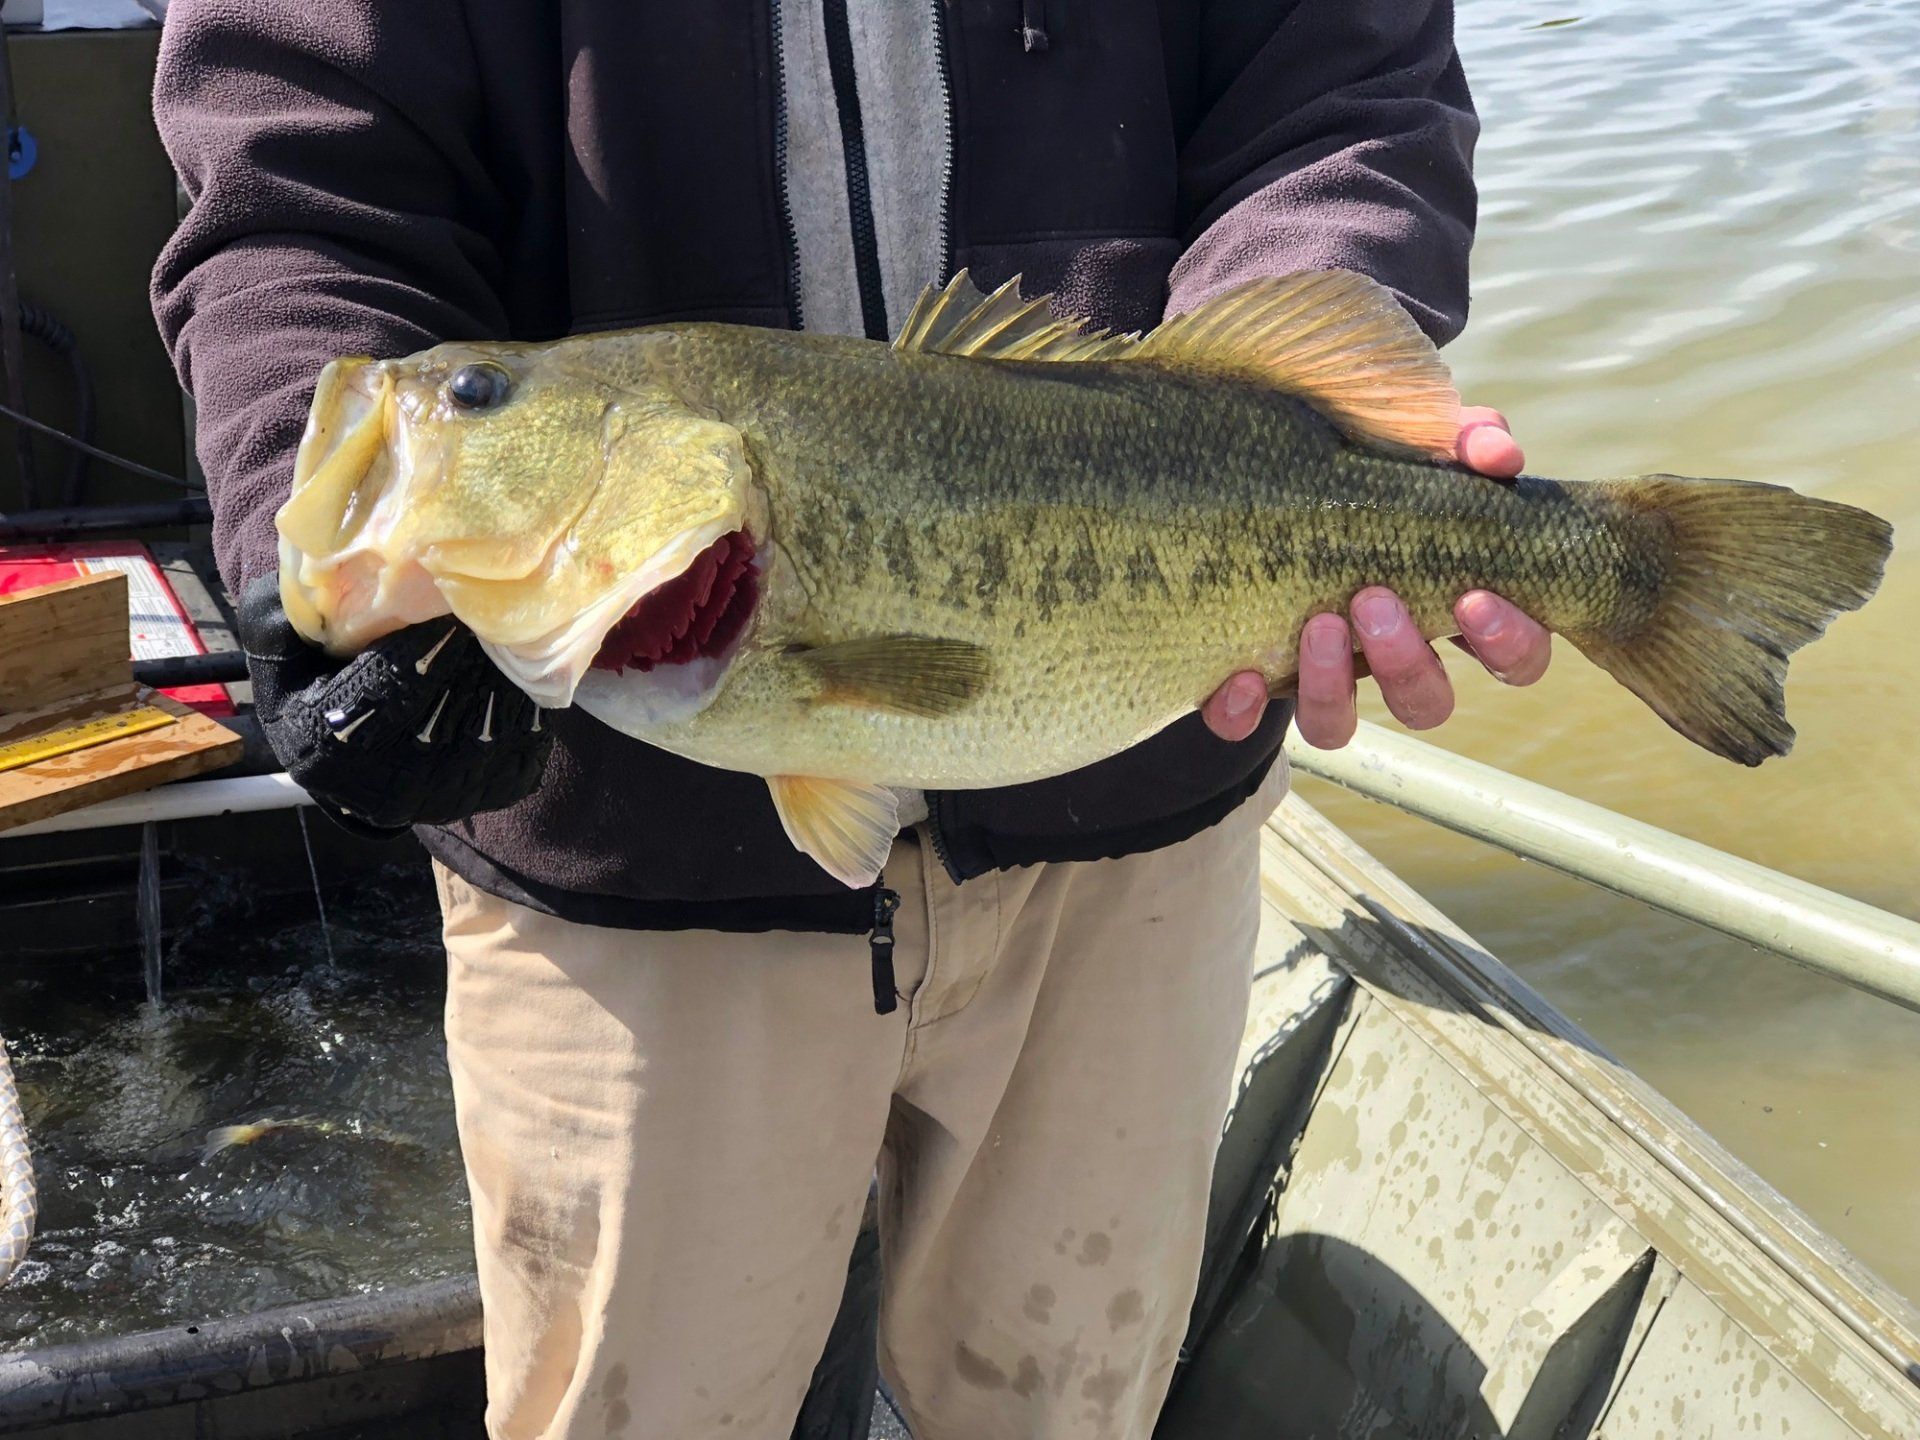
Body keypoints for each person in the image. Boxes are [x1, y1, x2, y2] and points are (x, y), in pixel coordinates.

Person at [151, 4, 1551, 1437]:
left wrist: (1320, 351)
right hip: (631, 870)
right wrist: (295, 521)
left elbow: (1340, 82)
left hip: (1136, 821)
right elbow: (301, 189)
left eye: (473, 402)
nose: (432, 416)